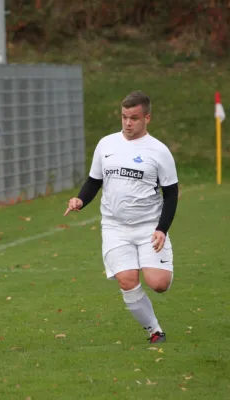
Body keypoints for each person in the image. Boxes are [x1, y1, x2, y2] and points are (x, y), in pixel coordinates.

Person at [64, 90, 178, 344]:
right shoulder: (106, 144)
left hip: (149, 226)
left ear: (147, 118)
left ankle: (161, 269)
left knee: (158, 283)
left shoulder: (159, 151)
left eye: (134, 118)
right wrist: (80, 200)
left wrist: (161, 228)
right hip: (114, 226)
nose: (128, 123)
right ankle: (155, 331)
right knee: (127, 280)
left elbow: (171, 195)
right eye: (124, 117)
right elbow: (95, 181)